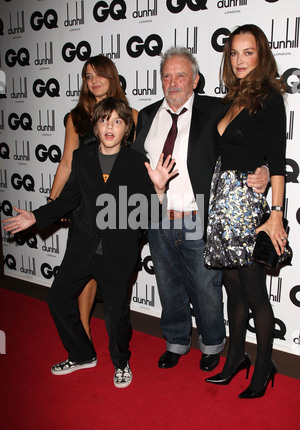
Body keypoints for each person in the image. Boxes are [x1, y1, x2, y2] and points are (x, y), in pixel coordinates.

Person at [3, 97, 176, 388]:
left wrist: (159, 190)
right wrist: (36, 216)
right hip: (82, 247)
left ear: (126, 129)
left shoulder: (137, 162)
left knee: (115, 315)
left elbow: (149, 216)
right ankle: (82, 354)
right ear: (95, 127)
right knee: (57, 298)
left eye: (118, 121)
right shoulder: (82, 158)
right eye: (104, 120)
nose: (110, 126)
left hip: (117, 253)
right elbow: (69, 199)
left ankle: (121, 362)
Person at [131, 47, 269, 372]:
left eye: (181, 75)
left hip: (198, 215)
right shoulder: (147, 115)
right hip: (158, 216)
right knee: (168, 284)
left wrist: (262, 167)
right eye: (167, 75)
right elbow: (137, 168)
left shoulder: (215, 109)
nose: (173, 82)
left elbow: (242, 143)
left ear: (195, 80)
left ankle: (211, 344)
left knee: (206, 288)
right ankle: (176, 342)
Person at [204, 25, 288, 398]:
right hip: (223, 203)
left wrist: (276, 213)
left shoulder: (269, 98)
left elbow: (278, 162)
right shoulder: (230, 98)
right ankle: (235, 358)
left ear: (261, 54)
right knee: (232, 289)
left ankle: (264, 366)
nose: (239, 60)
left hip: (249, 205)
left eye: (247, 52)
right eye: (234, 53)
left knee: (254, 292)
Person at [49, 55, 138, 341]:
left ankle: (117, 334)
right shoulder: (76, 118)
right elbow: (66, 163)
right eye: (88, 76)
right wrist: (54, 201)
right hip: (84, 206)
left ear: (112, 77)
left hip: (120, 209)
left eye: (99, 74)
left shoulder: (132, 115)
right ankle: (84, 330)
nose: (94, 80)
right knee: (84, 269)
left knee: (118, 276)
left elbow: (137, 163)